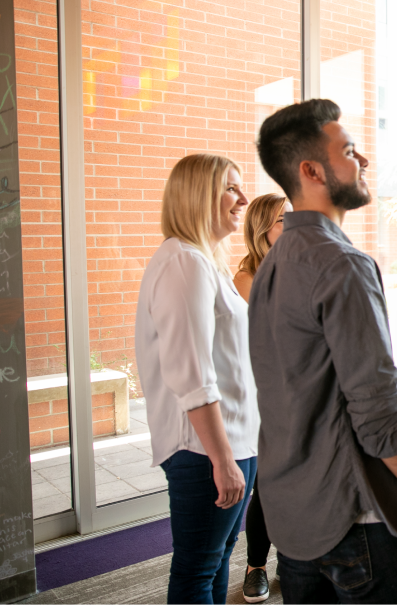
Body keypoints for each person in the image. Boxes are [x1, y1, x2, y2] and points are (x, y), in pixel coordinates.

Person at [248, 99, 397, 604]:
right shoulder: (342, 264)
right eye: (350, 151)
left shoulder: (272, 263)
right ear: (312, 170)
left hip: (293, 518)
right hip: (357, 520)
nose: (364, 162)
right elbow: (377, 408)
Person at [135, 153, 258, 605]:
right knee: (197, 570)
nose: (243, 198)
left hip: (232, 443)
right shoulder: (183, 263)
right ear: (196, 195)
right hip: (204, 450)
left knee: (218, 559)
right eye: (230, 188)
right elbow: (193, 375)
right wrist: (222, 461)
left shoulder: (206, 262)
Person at [232, 193, 290, 603]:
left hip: (300, 390)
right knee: (266, 486)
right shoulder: (245, 277)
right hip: (264, 393)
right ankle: (255, 566)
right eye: (284, 219)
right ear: (262, 228)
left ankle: (293, 555)